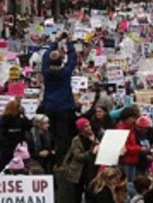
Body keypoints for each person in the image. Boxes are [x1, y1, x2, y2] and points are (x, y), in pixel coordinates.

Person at [41, 32, 78, 161]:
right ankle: (60, 159)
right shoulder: (65, 72)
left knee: (50, 133)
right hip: (64, 107)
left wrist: (55, 41)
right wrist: (70, 43)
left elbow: (45, 57)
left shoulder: (46, 72)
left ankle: (49, 155)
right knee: (62, 135)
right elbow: (73, 59)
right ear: (61, 61)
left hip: (49, 106)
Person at [58, 118, 100, 203]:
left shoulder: (93, 137)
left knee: (91, 192)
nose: (89, 128)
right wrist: (90, 152)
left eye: (89, 125)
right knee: (77, 193)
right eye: (86, 126)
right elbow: (78, 156)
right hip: (79, 171)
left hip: (91, 169)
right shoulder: (76, 140)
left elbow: (98, 149)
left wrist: (94, 142)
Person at [0, 99, 31, 171]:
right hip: (19, 147)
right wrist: (23, 115)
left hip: (6, 145)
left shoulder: (3, 119)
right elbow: (29, 126)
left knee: (5, 164)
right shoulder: (22, 119)